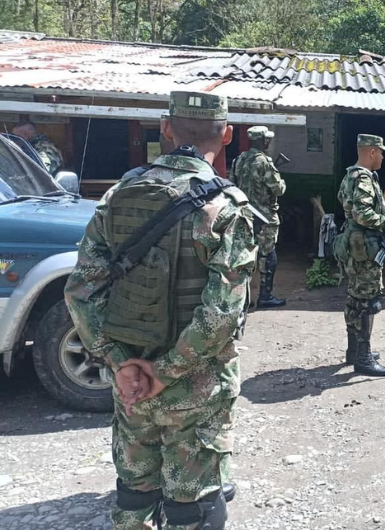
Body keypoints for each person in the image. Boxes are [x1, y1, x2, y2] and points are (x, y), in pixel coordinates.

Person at [64, 91, 253, 530]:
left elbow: (80, 292)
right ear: (226, 135)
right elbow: (221, 314)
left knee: (134, 493)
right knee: (193, 505)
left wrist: (117, 362)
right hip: (194, 387)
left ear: (165, 128)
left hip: (130, 380)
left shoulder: (117, 196)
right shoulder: (225, 208)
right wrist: (166, 372)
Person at [334, 134, 385, 376]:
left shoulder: (350, 174)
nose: (383, 156)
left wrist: (383, 200)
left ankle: (354, 350)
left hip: (353, 245)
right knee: (368, 301)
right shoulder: (363, 177)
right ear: (372, 152)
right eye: (381, 152)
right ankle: (363, 358)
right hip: (364, 248)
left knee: (355, 297)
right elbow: (362, 214)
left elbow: (351, 207)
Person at [233, 126, 287, 309]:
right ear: (264, 141)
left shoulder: (238, 160)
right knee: (267, 255)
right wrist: (282, 182)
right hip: (264, 217)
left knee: (244, 256)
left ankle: (243, 299)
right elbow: (278, 189)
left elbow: (232, 185)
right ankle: (265, 295)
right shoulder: (264, 162)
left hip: (243, 215)